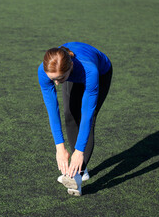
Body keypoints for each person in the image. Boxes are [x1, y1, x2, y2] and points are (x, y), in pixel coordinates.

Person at [38, 42, 112, 196]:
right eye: (53, 79)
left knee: (88, 120)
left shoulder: (89, 70)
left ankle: (79, 172)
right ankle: (77, 169)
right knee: (69, 114)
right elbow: (53, 110)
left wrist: (79, 151)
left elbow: (87, 114)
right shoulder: (45, 72)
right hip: (71, 73)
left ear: (70, 66)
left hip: (101, 72)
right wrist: (60, 148)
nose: (56, 83)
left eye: (59, 79)